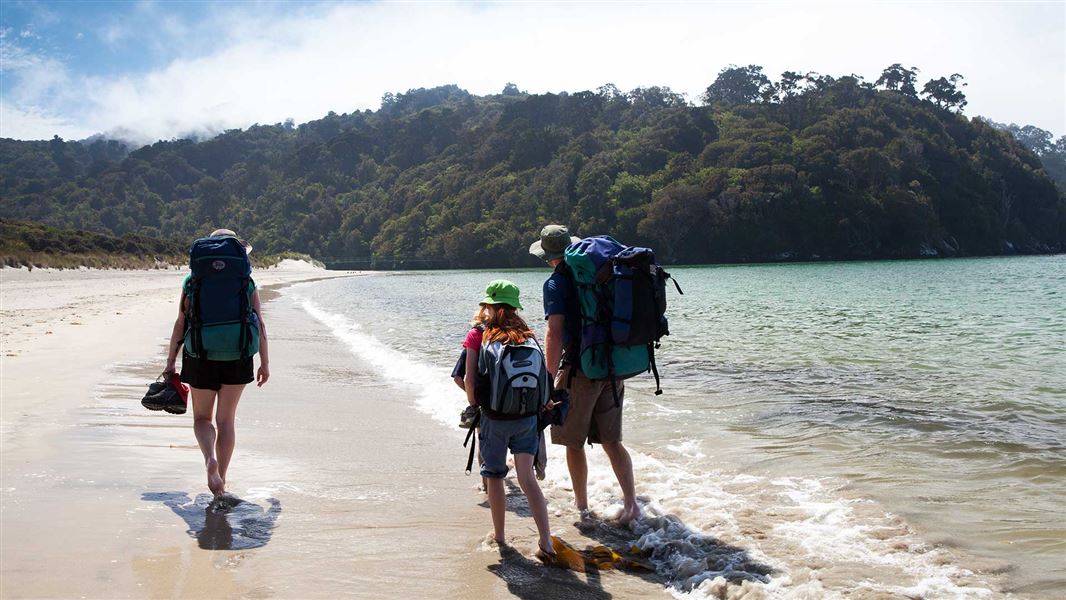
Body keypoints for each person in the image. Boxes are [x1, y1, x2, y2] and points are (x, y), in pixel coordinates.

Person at [530, 224, 641, 524]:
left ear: (547, 256)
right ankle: (632, 505)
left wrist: (549, 377)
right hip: (612, 365)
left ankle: (581, 507)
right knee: (612, 441)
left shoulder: (556, 283)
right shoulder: (601, 271)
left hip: (580, 368)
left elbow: (554, 332)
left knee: (572, 442)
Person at [164, 228, 269, 499]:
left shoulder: (193, 280)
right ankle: (222, 478)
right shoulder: (245, 282)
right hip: (238, 355)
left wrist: (170, 364)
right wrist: (264, 363)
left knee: (202, 418)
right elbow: (260, 323)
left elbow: (180, 323)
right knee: (226, 420)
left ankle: (209, 458)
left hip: (200, 354)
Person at [462, 280, 556, 561]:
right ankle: (546, 542)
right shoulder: (528, 335)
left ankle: (501, 538)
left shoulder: (479, 334)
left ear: (488, 305)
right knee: (527, 479)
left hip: (495, 418)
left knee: (494, 476)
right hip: (527, 418)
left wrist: (474, 405)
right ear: (515, 306)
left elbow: (469, 380)